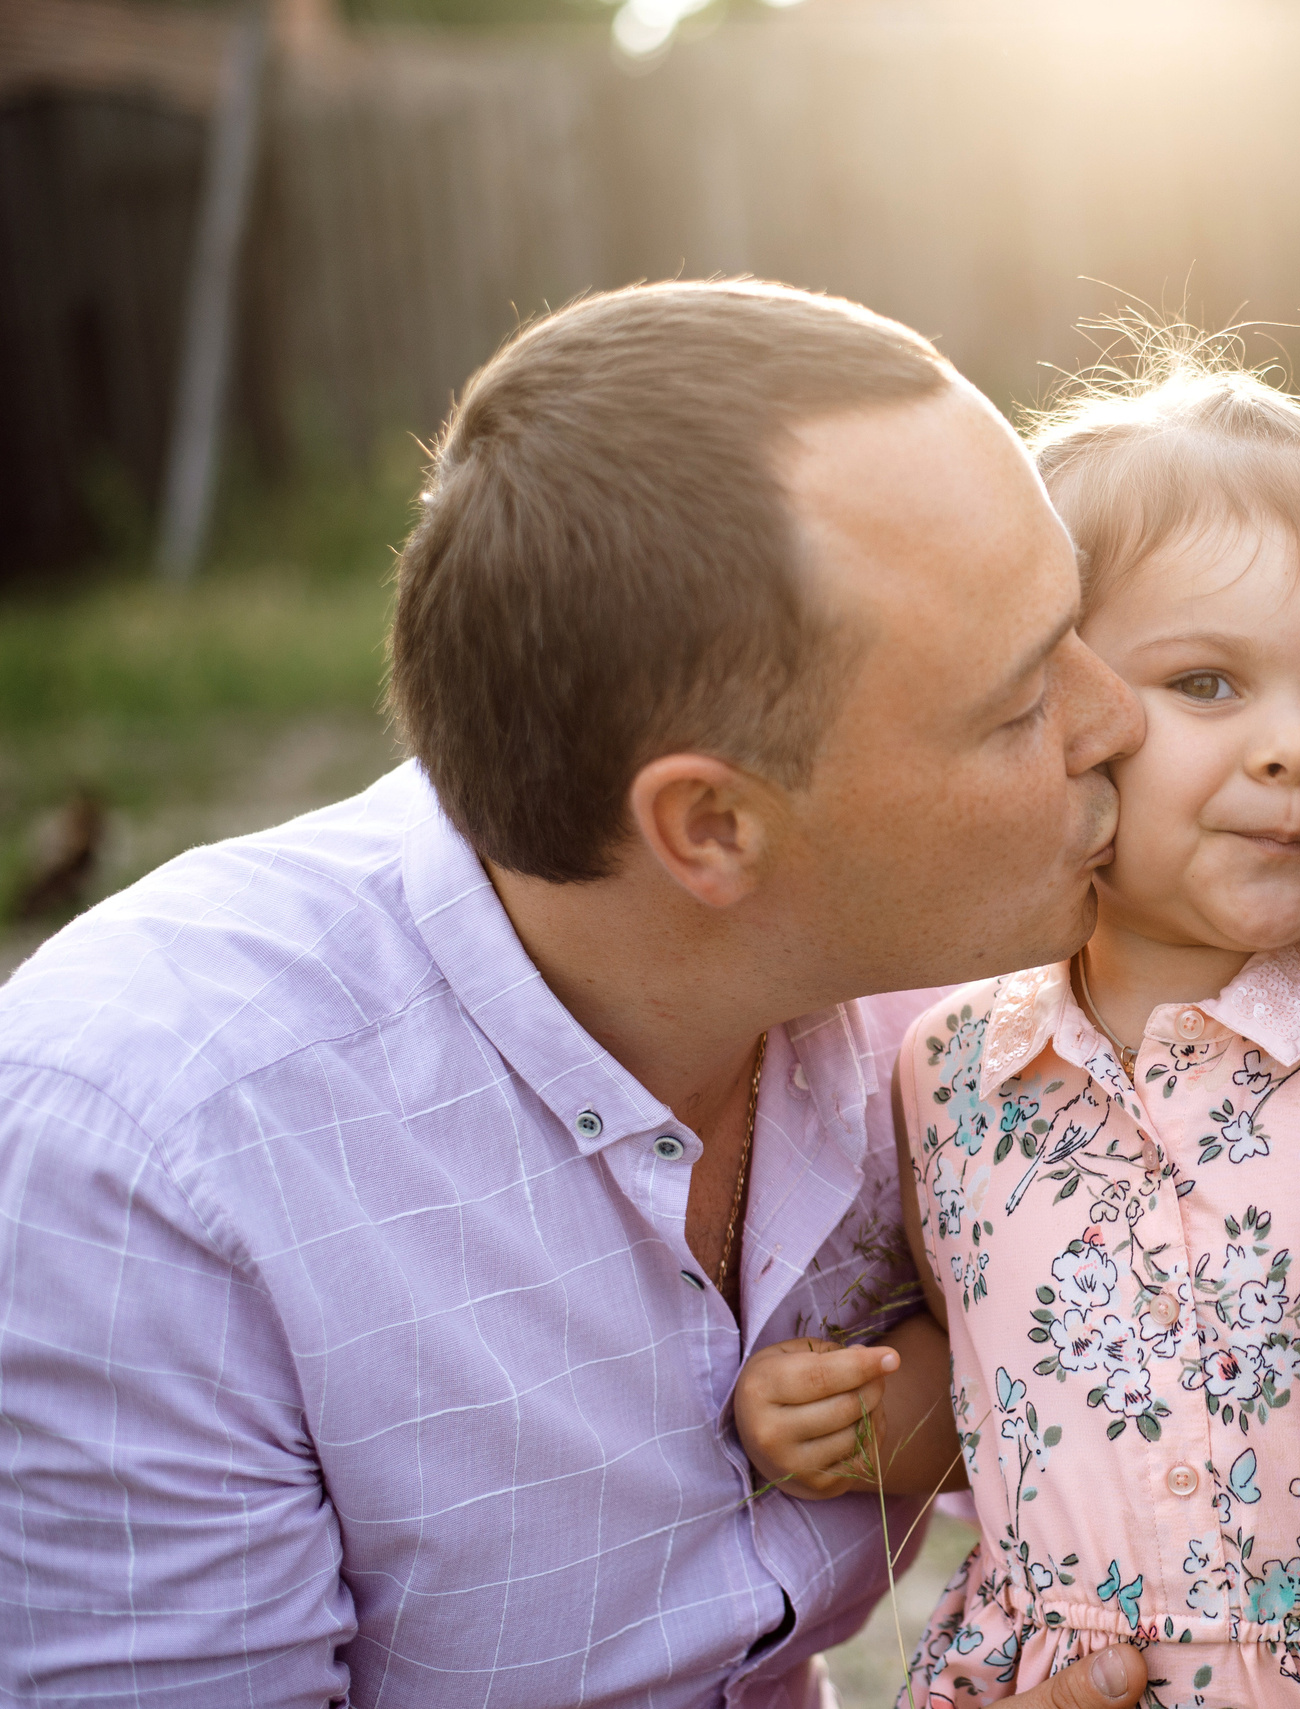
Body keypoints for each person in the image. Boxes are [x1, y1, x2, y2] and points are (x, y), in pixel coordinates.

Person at [0, 280, 1150, 1709]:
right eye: (1023, 701)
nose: (1121, 718)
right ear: (712, 830)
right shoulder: (146, 1154)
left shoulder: (985, 1011)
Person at [734, 347, 1300, 1705]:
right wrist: (862, 1414)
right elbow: (1000, 1394)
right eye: (1207, 683)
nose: (1295, 746)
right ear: (1062, 714)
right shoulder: (955, 1069)